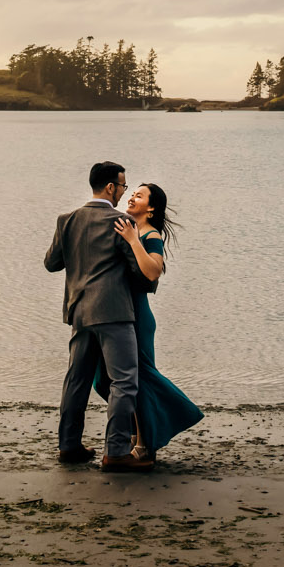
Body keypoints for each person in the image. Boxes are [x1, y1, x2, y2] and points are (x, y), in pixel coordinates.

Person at [44, 161, 148, 472]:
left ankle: (69, 446)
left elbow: (52, 264)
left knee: (77, 380)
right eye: (123, 187)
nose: (123, 193)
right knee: (125, 381)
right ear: (110, 188)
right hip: (114, 311)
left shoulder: (68, 220)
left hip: (79, 311)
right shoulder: (122, 223)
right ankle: (116, 451)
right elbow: (138, 271)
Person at [95, 182, 202, 464]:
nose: (132, 197)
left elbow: (153, 271)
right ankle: (135, 432)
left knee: (138, 380)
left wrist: (132, 240)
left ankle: (145, 443)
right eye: (132, 193)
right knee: (104, 379)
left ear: (151, 208)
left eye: (139, 196)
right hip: (118, 312)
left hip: (137, 316)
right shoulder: (126, 226)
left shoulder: (150, 234)